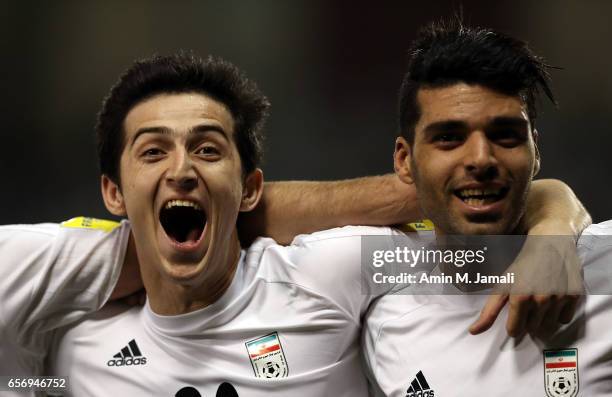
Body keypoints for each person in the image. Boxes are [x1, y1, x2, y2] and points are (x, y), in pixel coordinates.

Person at [43, 52, 592, 397]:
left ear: (250, 187)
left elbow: (477, 211)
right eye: (153, 152)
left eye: (207, 151)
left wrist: (553, 226)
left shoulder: (336, 271)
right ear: (113, 192)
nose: (182, 171)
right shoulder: (64, 336)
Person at [362, 20, 612, 396]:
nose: (481, 158)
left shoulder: (605, 266)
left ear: (535, 150)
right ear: (404, 160)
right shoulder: (375, 307)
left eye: (505, 135)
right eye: (449, 137)